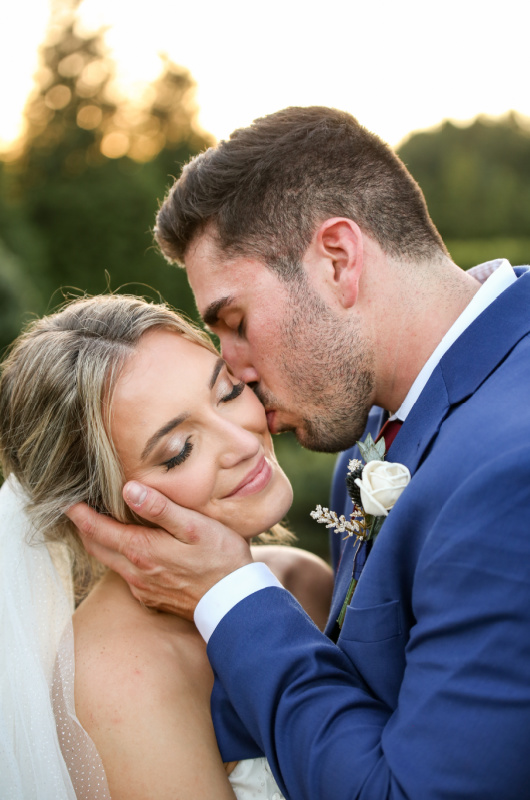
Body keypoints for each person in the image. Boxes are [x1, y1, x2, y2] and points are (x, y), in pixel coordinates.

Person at [67, 107, 530, 799]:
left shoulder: (509, 470)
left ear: (338, 260)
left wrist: (227, 594)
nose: (237, 370)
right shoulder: (371, 444)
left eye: (236, 322)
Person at [0, 293, 333, 799]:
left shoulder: (295, 577)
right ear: (99, 508)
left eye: (226, 391)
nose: (243, 441)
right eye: (179, 451)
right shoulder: (118, 678)